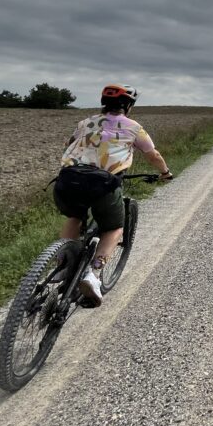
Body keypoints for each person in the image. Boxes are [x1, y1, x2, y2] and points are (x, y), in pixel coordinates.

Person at [55, 84, 172, 307]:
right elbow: (153, 155)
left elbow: (69, 145)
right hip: (103, 184)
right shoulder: (134, 127)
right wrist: (165, 173)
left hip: (67, 180)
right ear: (128, 106)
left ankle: (61, 265)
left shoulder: (85, 122)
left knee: (75, 216)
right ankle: (94, 274)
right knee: (114, 227)